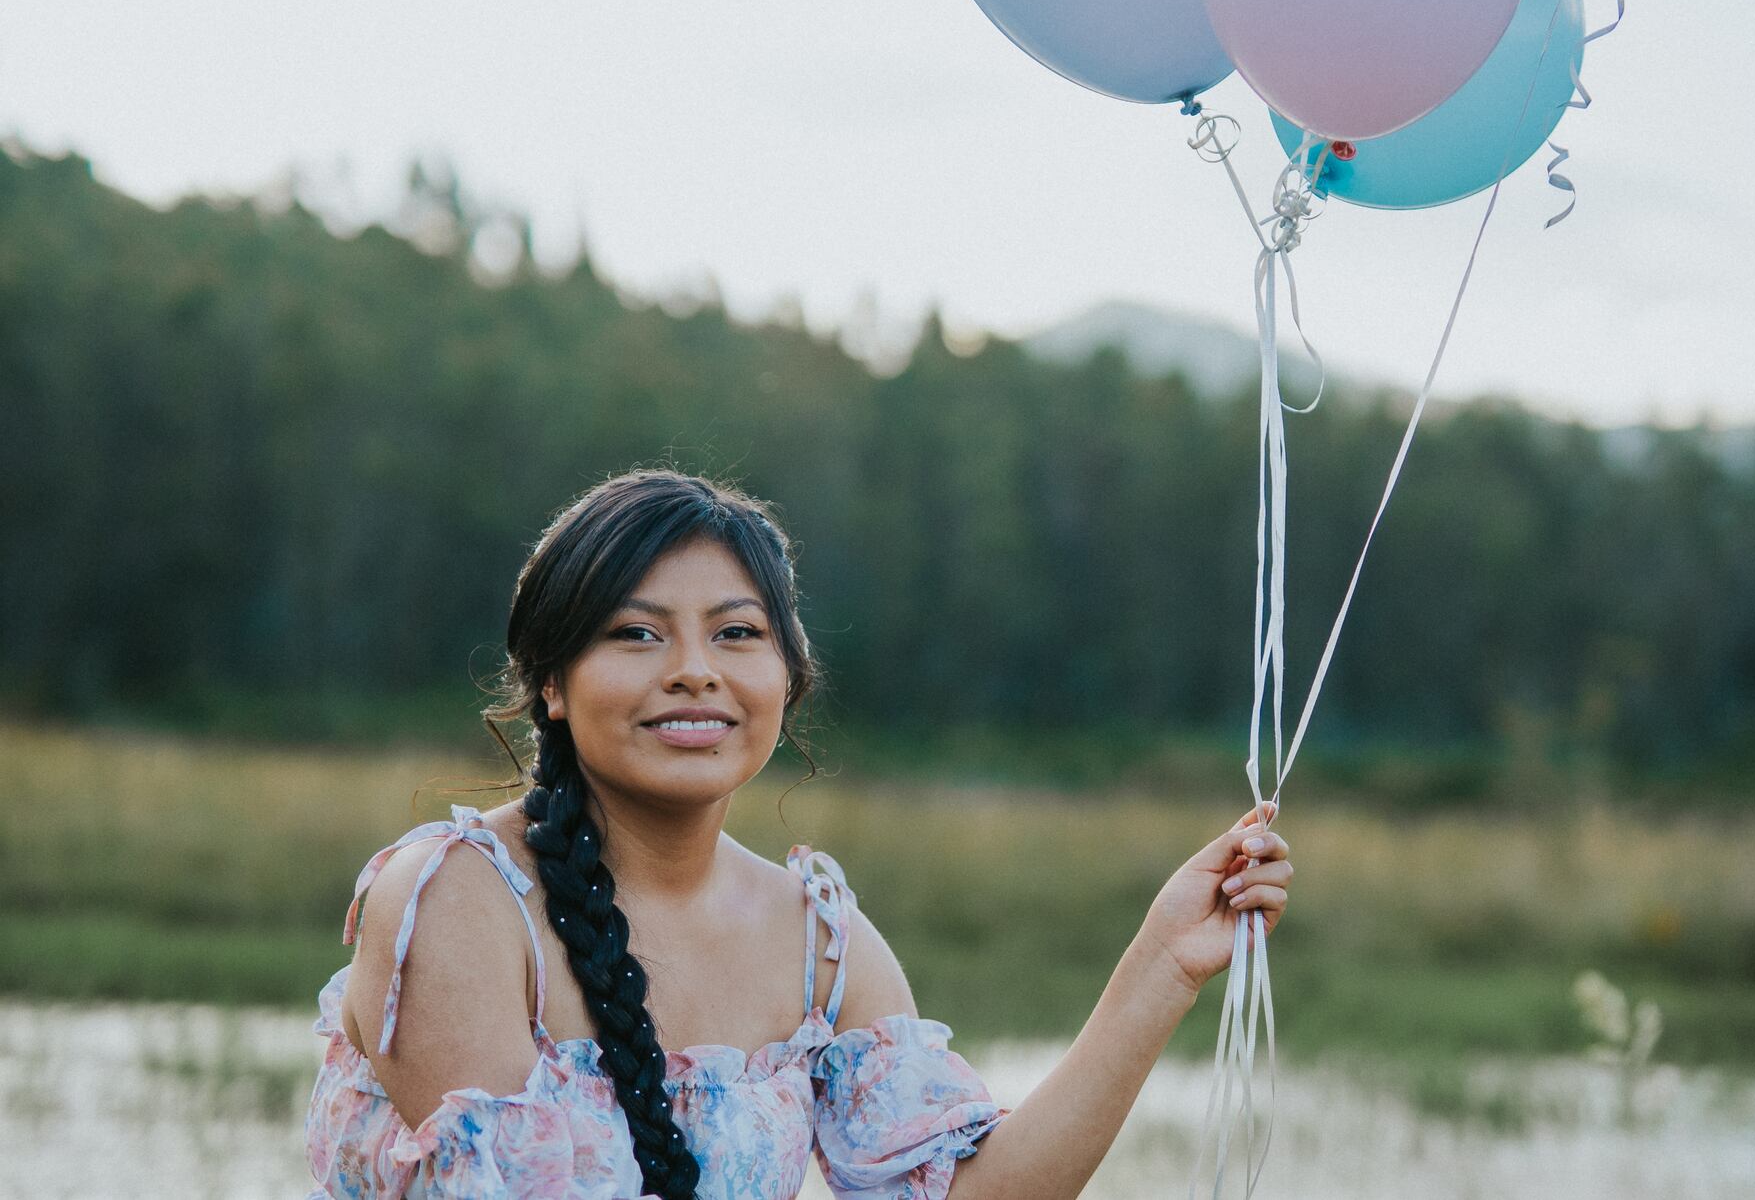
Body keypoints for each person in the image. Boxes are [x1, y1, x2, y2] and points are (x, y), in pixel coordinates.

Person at [304, 468, 1294, 1199]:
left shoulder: (817, 936)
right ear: (551, 684)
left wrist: (1163, 962)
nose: (695, 669)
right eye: (635, 632)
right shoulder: (460, 899)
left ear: (787, 676)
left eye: (736, 632)